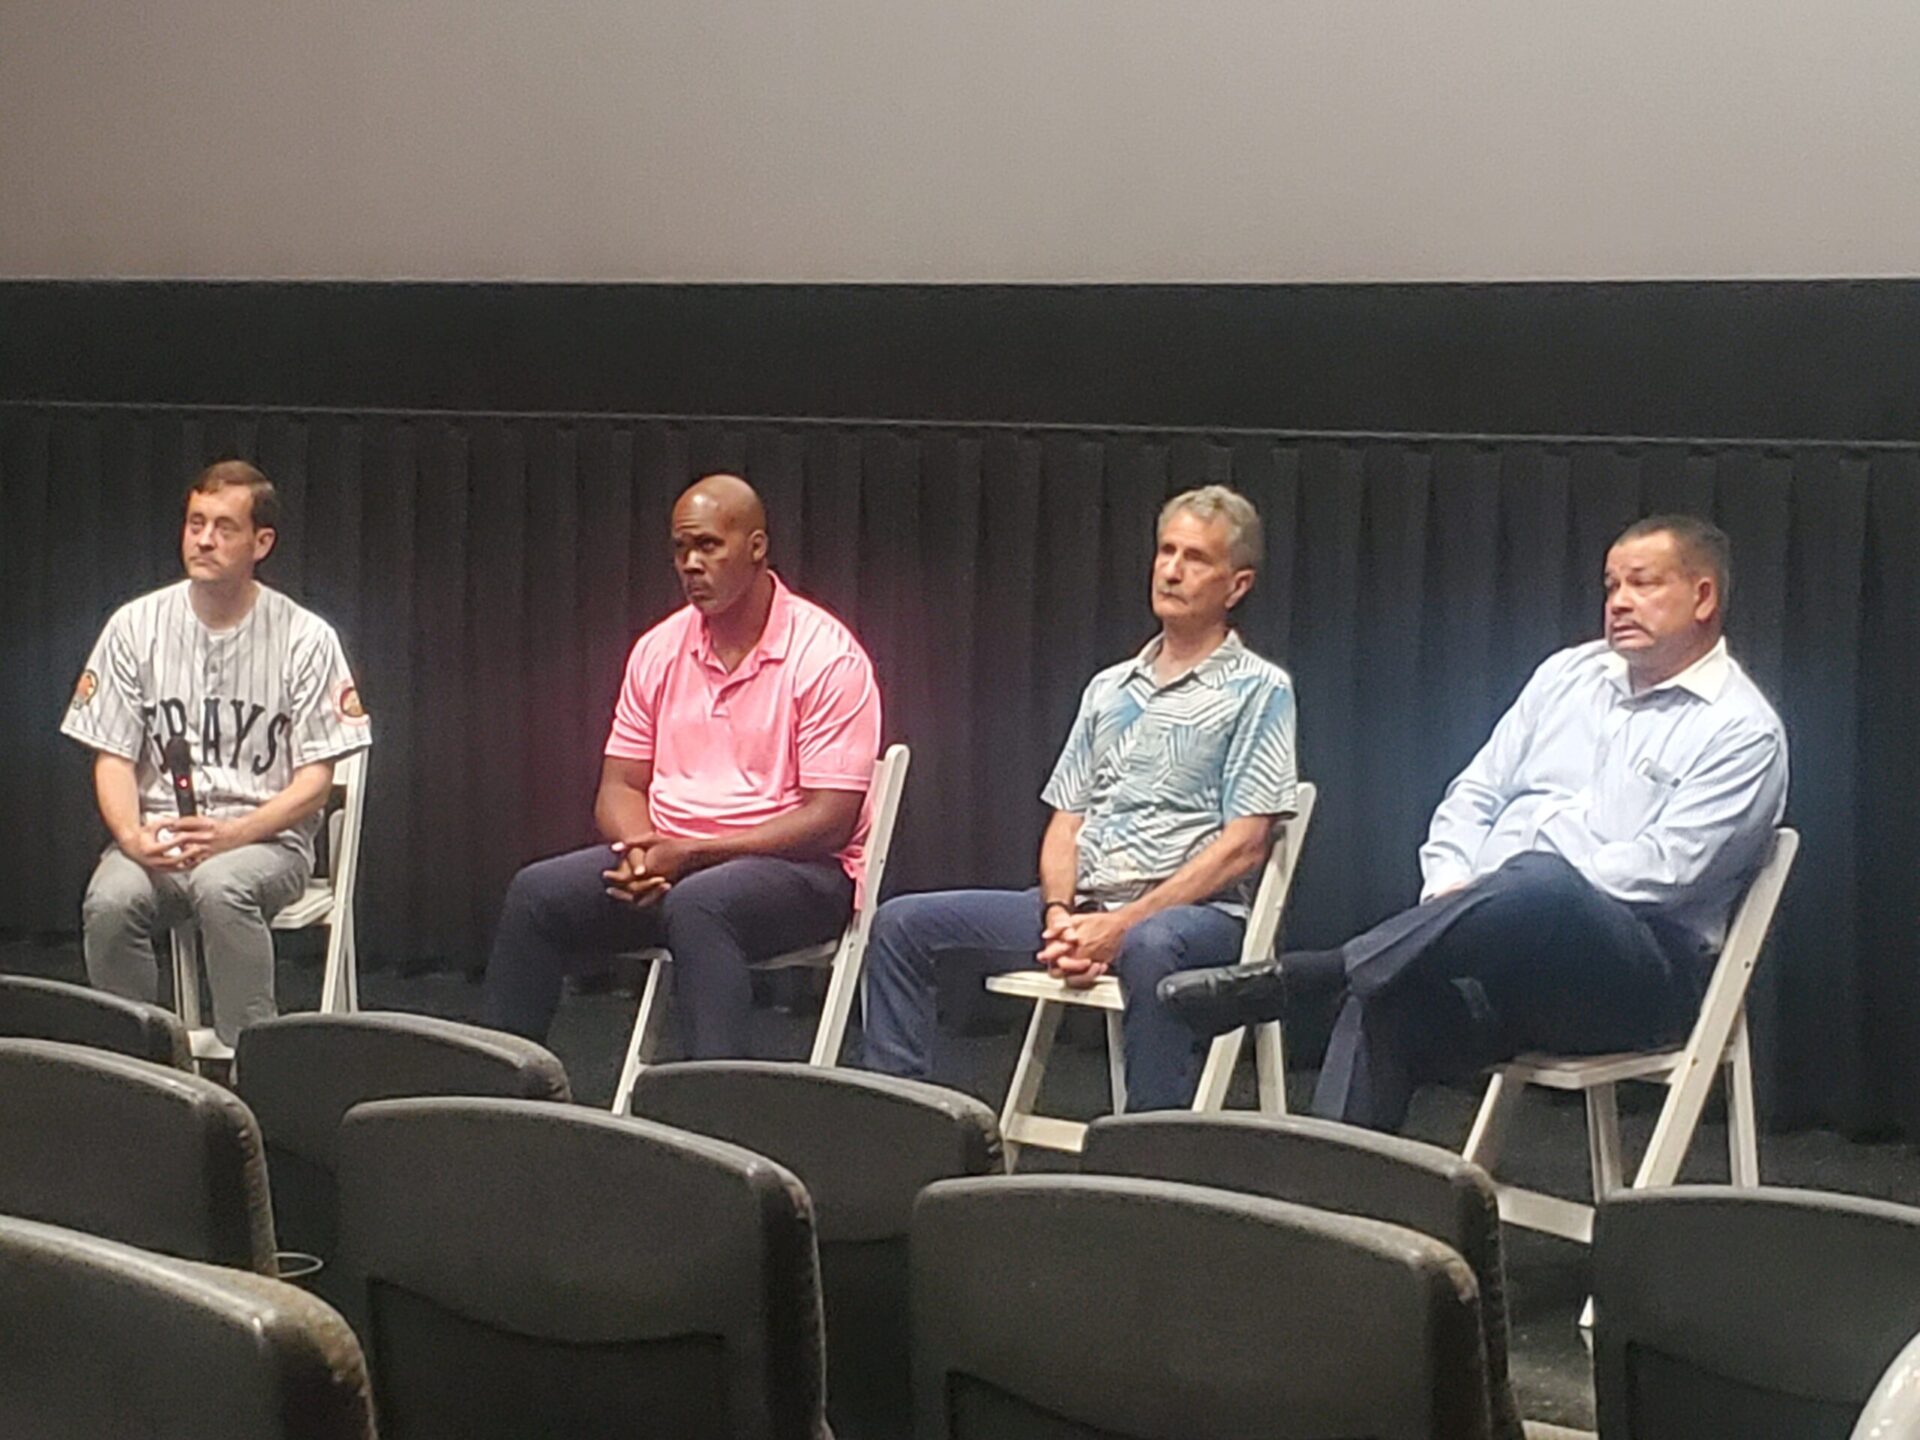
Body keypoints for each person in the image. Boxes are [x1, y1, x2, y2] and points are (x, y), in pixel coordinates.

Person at [1162, 515, 1788, 1132]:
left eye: (1642, 584)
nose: (1619, 602)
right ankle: (1335, 1210)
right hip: (1505, 966)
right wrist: (1456, 887)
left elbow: (1662, 874)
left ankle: (1310, 975)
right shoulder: (1566, 676)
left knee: (1545, 880)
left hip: (1635, 983)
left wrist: (1514, 886)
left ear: (1703, 596)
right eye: (1610, 585)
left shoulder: (1740, 730)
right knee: (1387, 992)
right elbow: (1474, 794)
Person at [859, 485, 1297, 1110]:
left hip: (1195, 918)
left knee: (1151, 948)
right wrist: (1062, 915)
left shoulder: (1260, 690)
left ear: (1237, 585)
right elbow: (1066, 820)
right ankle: (898, 1123)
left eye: (1195, 558)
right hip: (1083, 906)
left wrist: (1121, 926)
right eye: (1166, 551)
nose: (1171, 570)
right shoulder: (1110, 688)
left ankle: (1148, 1159)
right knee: (902, 924)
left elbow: (1244, 846)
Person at [482, 474, 881, 1056]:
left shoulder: (825, 656)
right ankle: (496, 1104)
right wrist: (643, 851)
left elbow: (830, 821)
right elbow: (619, 785)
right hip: (671, 859)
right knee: (536, 893)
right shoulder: (659, 648)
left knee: (700, 904)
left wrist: (692, 855)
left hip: (800, 870)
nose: (691, 564)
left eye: (708, 546)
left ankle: (711, 1115)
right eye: (679, 549)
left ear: (757, 547)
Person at [61, 460, 372, 1047]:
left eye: (224, 527)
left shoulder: (306, 638)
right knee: (110, 898)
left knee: (220, 886)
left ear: (262, 543)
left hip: (265, 842)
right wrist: (130, 835)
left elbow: (314, 780)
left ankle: (250, 1066)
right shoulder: (134, 627)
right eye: (195, 522)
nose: (204, 539)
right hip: (160, 837)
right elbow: (112, 756)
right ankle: (137, 1069)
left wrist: (234, 835)